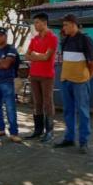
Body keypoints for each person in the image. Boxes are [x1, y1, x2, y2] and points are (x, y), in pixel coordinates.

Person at [56, 14, 93, 152]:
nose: (64, 27)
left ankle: (83, 142)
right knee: (68, 111)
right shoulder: (65, 40)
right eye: (63, 25)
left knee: (83, 111)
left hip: (80, 82)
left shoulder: (85, 40)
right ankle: (69, 138)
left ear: (74, 24)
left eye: (66, 25)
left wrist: (88, 77)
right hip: (66, 80)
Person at [24, 12, 58, 143]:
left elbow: (46, 57)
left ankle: (50, 131)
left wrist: (35, 55)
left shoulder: (52, 38)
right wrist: (39, 56)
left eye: (37, 22)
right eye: (34, 23)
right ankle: (38, 130)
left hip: (47, 76)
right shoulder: (34, 39)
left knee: (48, 102)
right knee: (37, 102)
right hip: (34, 75)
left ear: (44, 23)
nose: (35, 25)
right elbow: (27, 55)